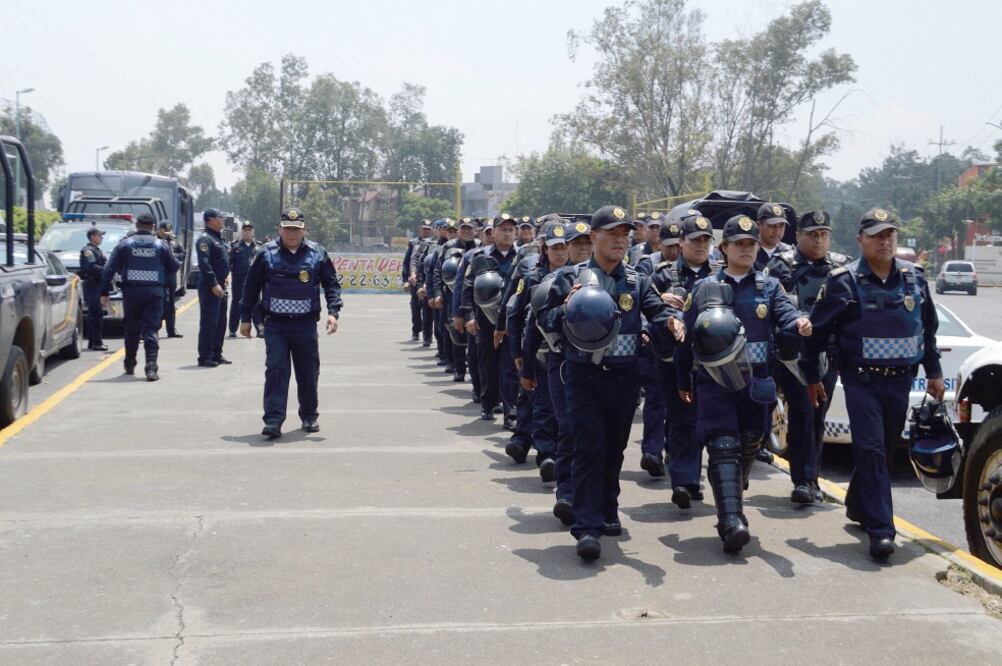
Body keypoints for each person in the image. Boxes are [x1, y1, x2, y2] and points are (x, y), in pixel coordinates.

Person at [539, 205, 685, 561]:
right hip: (583, 376)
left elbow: (656, 310)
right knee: (589, 446)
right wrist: (566, 308)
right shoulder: (570, 278)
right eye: (612, 234)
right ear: (594, 238)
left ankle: (607, 507)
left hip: (624, 378)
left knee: (615, 448)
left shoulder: (636, 281)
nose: (620, 241)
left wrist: (670, 322)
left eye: (624, 235)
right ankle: (586, 527)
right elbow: (545, 318)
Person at [802, 208, 943, 560]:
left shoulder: (914, 279)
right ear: (861, 239)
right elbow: (816, 334)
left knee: (883, 448)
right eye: (877, 235)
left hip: (900, 383)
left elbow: (927, 331)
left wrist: (935, 373)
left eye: (890, 235)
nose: (885, 241)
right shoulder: (844, 282)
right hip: (861, 381)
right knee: (872, 451)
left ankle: (857, 505)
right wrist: (812, 377)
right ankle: (881, 530)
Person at [675, 214, 810, 554]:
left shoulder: (769, 286)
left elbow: (786, 315)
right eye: (740, 244)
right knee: (722, 446)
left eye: (752, 244)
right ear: (725, 249)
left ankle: (733, 485)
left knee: (751, 440)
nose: (747, 250)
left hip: (756, 383)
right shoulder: (704, 287)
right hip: (715, 383)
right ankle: (731, 521)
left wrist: (799, 324)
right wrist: (681, 380)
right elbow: (685, 334)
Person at [765, 210, 850, 504]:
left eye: (823, 234)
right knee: (801, 411)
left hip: (827, 353)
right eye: (812, 234)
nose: (818, 240)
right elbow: (771, 308)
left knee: (817, 415)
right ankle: (802, 481)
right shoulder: (781, 266)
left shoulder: (841, 267)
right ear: (798, 236)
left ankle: (812, 478)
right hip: (792, 355)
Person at [240, 207, 343, 439]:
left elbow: (332, 284)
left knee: (308, 371)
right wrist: (245, 318)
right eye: (287, 229)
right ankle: (274, 421)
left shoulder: (317, 253)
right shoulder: (266, 253)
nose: (292, 234)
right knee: (276, 370)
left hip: (305, 325)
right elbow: (250, 287)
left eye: (296, 229)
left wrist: (333, 312)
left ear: (303, 229)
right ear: (280, 229)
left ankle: (309, 416)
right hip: (275, 325)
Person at [651, 213, 719, 508]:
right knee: (681, 419)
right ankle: (683, 480)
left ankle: (696, 475)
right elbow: (647, 312)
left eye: (706, 240)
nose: (701, 246)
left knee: (706, 421)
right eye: (695, 240)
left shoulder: (719, 274)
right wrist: (661, 302)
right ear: (682, 243)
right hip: (671, 357)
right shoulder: (663, 275)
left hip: (710, 361)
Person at [101, 212, 179, 381]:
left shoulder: (125, 244)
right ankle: (151, 368)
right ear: (153, 227)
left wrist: (104, 292)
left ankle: (130, 363)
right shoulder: (161, 245)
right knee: (151, 329)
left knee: (131, 329)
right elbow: (173, 267)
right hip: (154, 293)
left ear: (136, 226)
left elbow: (108, 269)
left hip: (131, 293)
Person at [459, 213, 519, 424]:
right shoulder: (480, 257)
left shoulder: (522, 257)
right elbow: (468, 288)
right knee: (487, 364)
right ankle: (488, 404)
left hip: (512, 321)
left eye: (511, 229)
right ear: (493, 232)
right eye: (503, 229)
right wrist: (469, 316)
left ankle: (511, 411)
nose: (507, 233)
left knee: (509, 366)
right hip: (485, 320)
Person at [196, 208, 231, 367]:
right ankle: (205, 356)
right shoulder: (205, 239)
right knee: (209, 322)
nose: (223, 220)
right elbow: (205, 264)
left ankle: (217, 353)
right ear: (211, 220)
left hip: (221, 286)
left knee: (220, 322)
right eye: (220, 218)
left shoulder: (218, 239)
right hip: (211, 287)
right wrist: (214, 283)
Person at [229, 222, 263, 337]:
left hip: (254, 281)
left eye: (249, 230)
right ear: (242, 232)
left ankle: (260, 329)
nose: (247, 232)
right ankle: (232, 329)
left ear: (253, 232)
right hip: (239, 280)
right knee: (236, 303)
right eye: (245, 230)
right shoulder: (235, 246)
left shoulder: (259, 247)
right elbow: (229, 263)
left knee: (256, 304)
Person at [79, 226, 109, 351]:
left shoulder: (96, 250)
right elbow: (91, 267)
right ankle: (96, 342)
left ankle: (94, 342)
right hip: (93, 285)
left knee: (96, 314)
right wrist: (106, 270)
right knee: (96, 315)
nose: (101, 238)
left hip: (98, 285)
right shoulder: (88, 251)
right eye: (99, 235)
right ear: (93, 237)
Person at [403, 221, 432, 341]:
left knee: (427, 308)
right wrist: (406, 279)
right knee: (415, 307)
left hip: (428, 280)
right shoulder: (413, 243)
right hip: (415, 279)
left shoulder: (433, 243)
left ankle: (427, 333)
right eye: (424, 228)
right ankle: (416, 331)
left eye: (428, 229)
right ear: (420, 229)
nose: (426, 231)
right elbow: (407, 262)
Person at [157, 221, 185, 339]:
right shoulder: (155, 242)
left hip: (170, 276)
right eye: (164, 231)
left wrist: (173, 258)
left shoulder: (174, 242)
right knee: (156, 304)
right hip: (158, 277)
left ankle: (171, 330)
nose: (166, 233)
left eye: (168, 231)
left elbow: (182, 254)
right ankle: (153, 329)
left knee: (169, 305)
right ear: (159, 230)